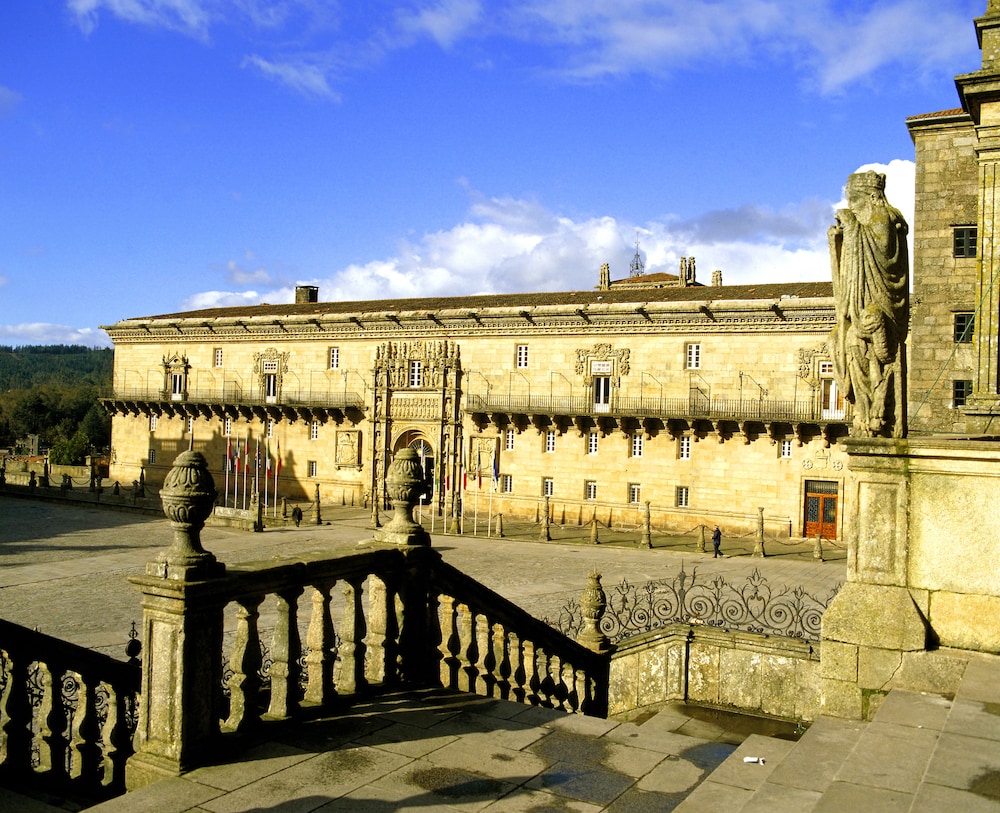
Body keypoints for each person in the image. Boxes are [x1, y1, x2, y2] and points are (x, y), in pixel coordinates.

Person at [828, 170, 909, 438]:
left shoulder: (884, 216)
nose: (851, 206)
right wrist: (837, 242)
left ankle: (880, 413)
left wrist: (851, 225)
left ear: (872, 196)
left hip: (878, 303)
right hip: (859, 302)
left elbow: (882, 250)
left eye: (855, 201)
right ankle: (863, 410)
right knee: (841, 340)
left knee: (869, 342)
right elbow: (849, 265)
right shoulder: (866, 219)